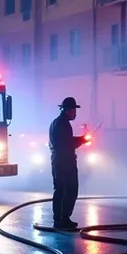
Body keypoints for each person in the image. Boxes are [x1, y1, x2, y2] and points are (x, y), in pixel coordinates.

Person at [49, 97, 88, 230]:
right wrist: (81, 141)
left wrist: (81, 139)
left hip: (60, 160)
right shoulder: (63, 124)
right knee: (66, 189)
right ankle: (61, 219)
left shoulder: (58, 123)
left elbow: (66, 140)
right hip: (63, 161)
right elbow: (66, 144)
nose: (75, 113)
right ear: (69, 110)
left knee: (65, 189)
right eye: (74, 110)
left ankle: (63, 218)